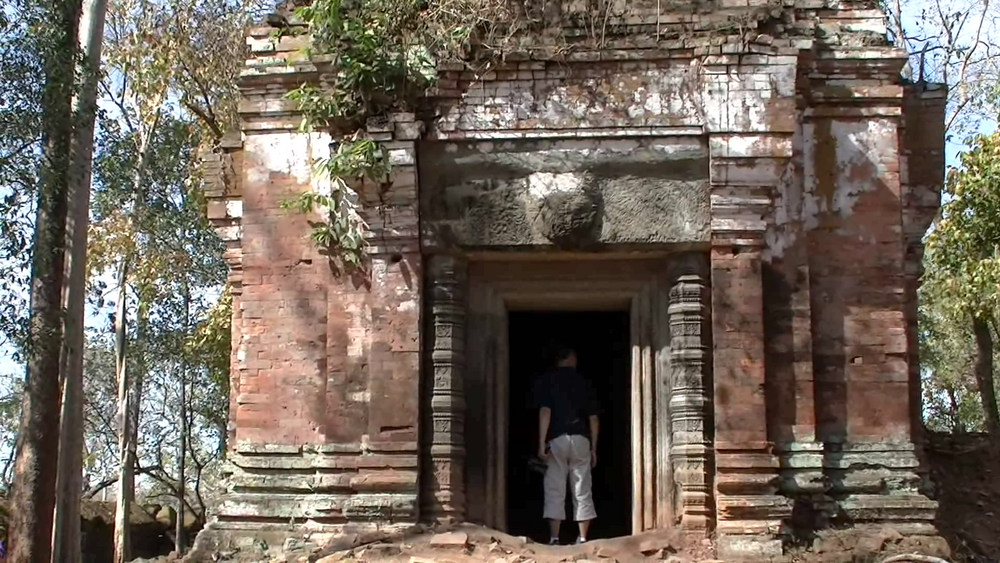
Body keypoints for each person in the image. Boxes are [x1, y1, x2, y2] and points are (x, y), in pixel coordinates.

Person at [533, 346, 599, 546]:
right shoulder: (584, 382)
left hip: (557, 440)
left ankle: (554, 538)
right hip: (580, 439)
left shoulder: (548, 380)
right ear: (571, 358)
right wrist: (594, 447)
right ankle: (583, 537)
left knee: (555, 487)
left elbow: (545, 412)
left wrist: (541, 443)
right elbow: (594, 418)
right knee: (582, 487)